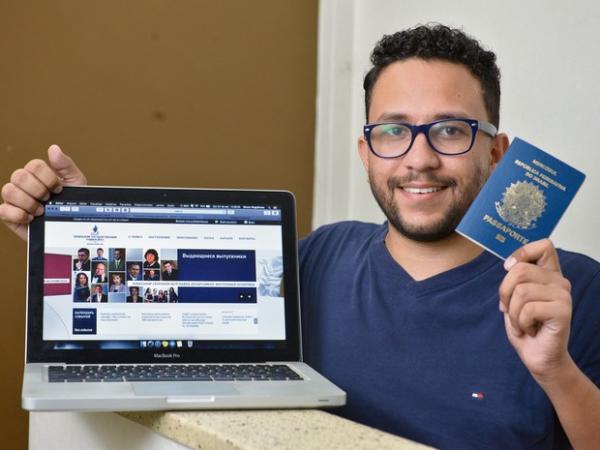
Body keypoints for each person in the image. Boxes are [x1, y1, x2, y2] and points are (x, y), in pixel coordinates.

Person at [1, 24, 599, 450]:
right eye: (393, 131)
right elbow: (174, 318)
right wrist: (80, 238)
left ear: (496, 153)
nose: (419, 159)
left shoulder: (572, 289)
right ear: (367, 152)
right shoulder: (320, 255)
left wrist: (557, 373)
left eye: (449, 130)